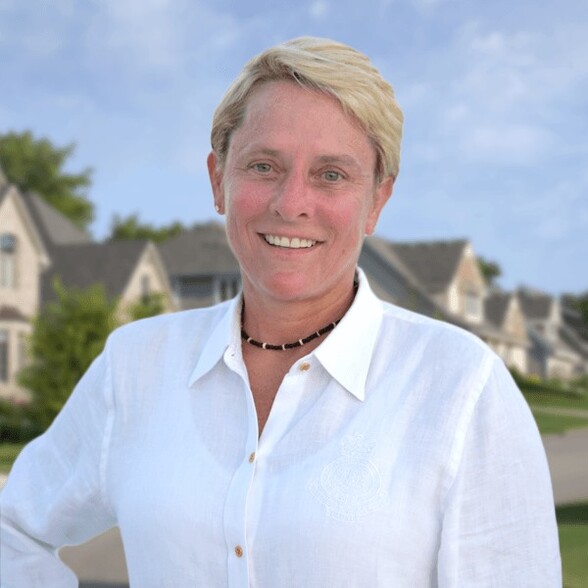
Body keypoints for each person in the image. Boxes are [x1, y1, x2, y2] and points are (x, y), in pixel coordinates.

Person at [0, 37, 561, 587]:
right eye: (264, 166)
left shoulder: (460, 387)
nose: (291, 203)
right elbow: (13, 529)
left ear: (377, 200)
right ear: (218, 180)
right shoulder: (134, 367)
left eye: (331, 174)